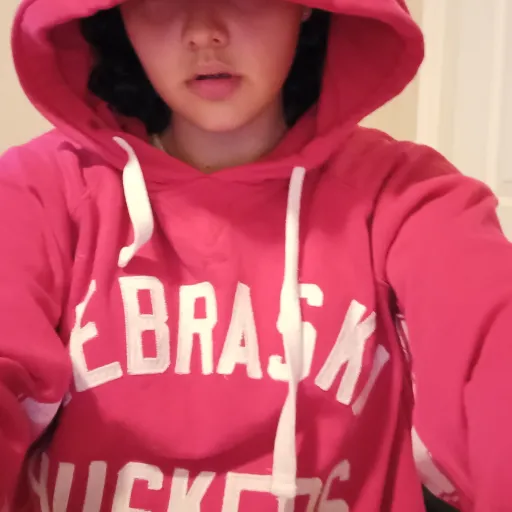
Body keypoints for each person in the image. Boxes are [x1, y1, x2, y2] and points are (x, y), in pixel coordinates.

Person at [1, 0, 510, 510]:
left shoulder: (404, 198)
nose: (204, 31)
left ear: (307, 7)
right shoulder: (38, 192)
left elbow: (492, 352)